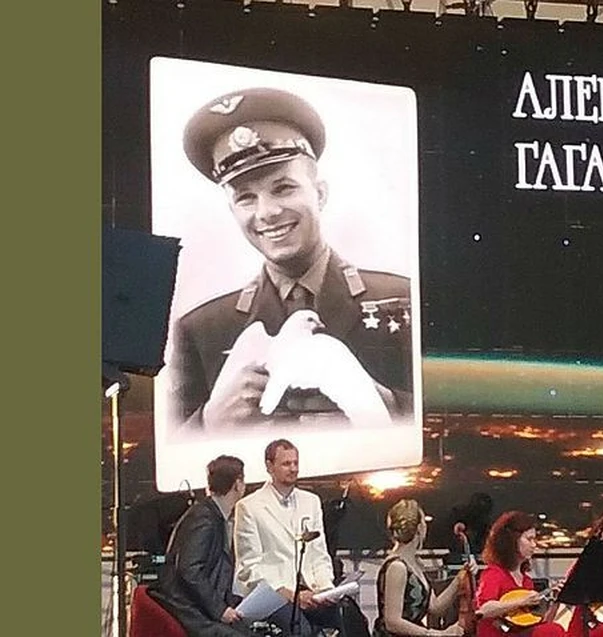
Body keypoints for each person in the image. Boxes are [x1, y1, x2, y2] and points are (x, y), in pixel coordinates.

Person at [169, 86, 413, 431]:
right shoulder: (200, 330)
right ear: (232, 210)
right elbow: (167, 443)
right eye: (245, 198)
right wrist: (209, 421)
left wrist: (386, 404)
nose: (266, 212)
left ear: (320, 194)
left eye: (283, 188)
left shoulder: (404, 299)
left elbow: (451, 416)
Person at [234, 439, 342, 636]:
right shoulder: (249, 507)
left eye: (295, 463)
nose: (293, 469)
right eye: (286, 464)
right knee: (301, 630)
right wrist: (291, 595)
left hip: (310, 590)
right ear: (269, 466)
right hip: (274, 594)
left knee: (344, 618)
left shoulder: (311, 501)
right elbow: (249, 567)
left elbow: (319, 554)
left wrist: (325, 588)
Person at [148, 455, 256, 637]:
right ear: (238, 484)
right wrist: (220, 609)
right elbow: (190, 570)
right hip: (190, 610)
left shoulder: (212, 515)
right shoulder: (204, 519)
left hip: (201, 607)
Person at [373, 499, 471, 637]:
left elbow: (435, 607)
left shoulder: (415, 563)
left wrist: (460, 579)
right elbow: (392, 622)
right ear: (419, 528)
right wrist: (435, 634)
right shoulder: (397, 567)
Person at [474, 511, 566, 637]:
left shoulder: (526, 581)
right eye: (529, 539)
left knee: (554, 629)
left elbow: (535, 623)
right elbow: (483, 610)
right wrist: (521, 602)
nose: (534, 545)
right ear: (512, 540)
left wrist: (556, 601)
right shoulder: (494, 574)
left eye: (534, 539)